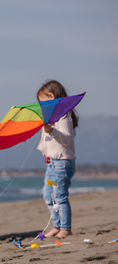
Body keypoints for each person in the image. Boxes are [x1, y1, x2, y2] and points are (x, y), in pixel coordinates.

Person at [37, 80, 78, 239]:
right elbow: (47, 141)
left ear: (51, 96)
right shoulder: (51, 117)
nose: (41, 106)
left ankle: (66, 228)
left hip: (63, 163)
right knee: (48, 195)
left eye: (42, 102)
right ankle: (57, 225)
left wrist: (52, 130)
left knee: (60, 196)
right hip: (52, 164)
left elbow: (67, 139)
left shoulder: (64, 115)